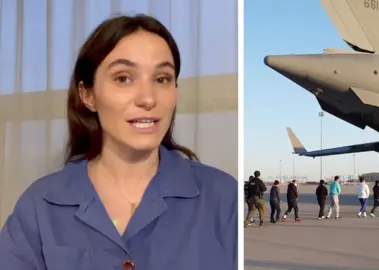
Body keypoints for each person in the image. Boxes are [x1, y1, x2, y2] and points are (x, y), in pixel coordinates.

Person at [0, 15, 238, 269]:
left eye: (162, 79)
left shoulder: (222, 198)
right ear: (87, 95)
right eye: (123, 78)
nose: (148, 99)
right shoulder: (41, 205)